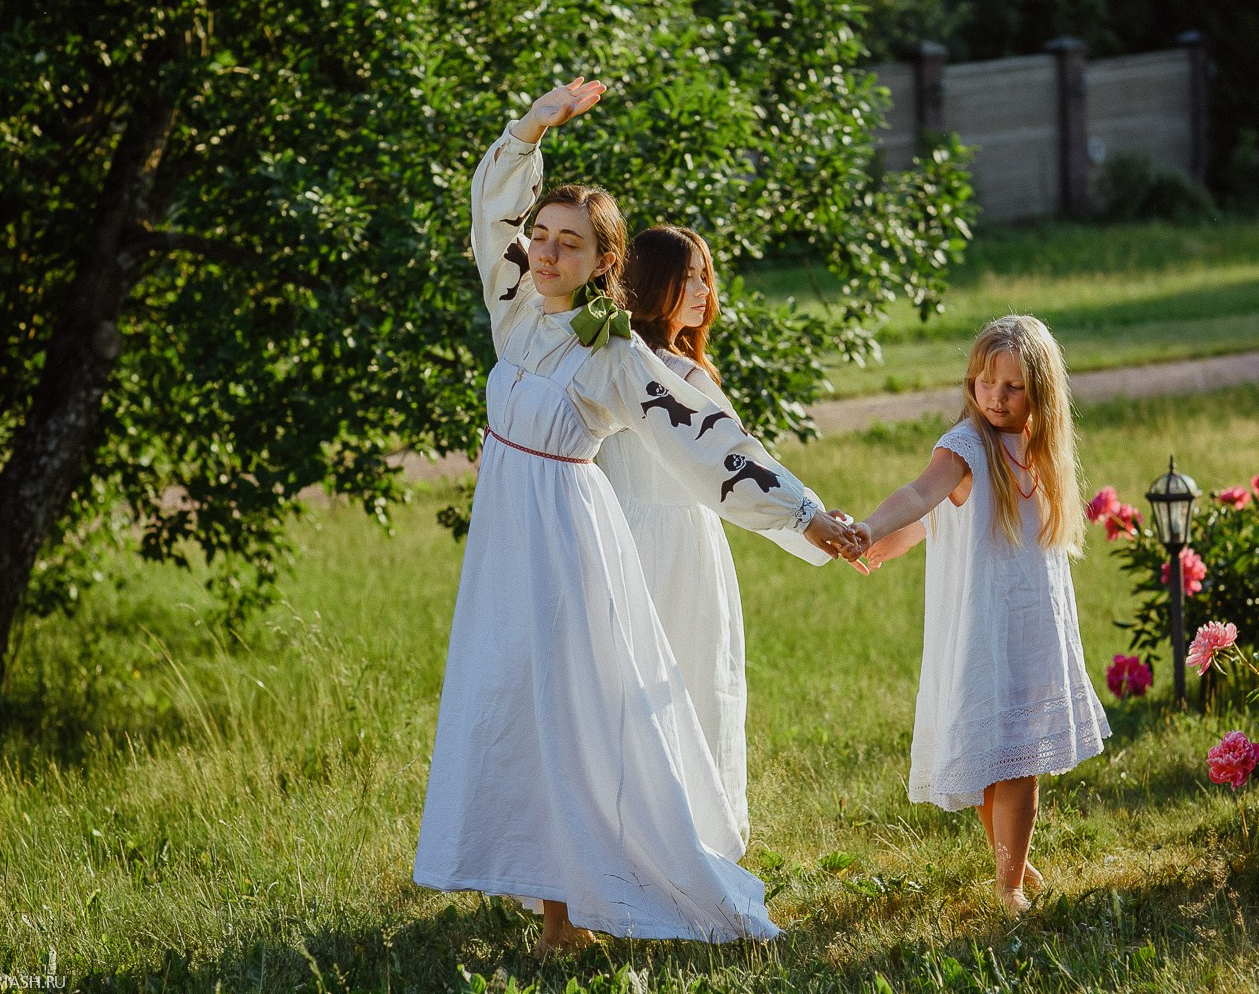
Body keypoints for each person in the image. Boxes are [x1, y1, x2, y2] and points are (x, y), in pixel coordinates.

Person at [412, 78, 860, 954]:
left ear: (602, 263)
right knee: (517, 706)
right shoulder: (516, 316)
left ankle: (582, 913)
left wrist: (806, 515)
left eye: (567, 244)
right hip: (506, 545)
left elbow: (705, 440)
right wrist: (531, 127)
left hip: (568, 543)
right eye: (539, 238)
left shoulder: (613, 350)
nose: (543, 253)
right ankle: (553, 907)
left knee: (574, 715)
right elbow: (489, 215)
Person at [849, 314, 1110, 916]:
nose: (995, 397)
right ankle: (1010, 881)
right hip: (982, 624)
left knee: (1015, 750)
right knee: (994, 750)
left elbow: (941, 514)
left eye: (1013, 387)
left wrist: (888, 540)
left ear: (1040, 392)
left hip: (1033, 623)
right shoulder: (966, 446)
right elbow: (922, 497)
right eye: (983, 382)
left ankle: (1009, 867)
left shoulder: (1042, 449)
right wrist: (872, 531)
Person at [595, 225, 835, 846]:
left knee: (638, 693)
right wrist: (813, 523)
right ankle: (688, 843)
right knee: (684, 686)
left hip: (622, 539)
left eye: (706, 275)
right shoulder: (670, 376)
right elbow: (741, 467)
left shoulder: (611, 359)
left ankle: (631, 839)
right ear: (652, 283)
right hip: (670, 547)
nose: (704, 290)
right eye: (689, 277)